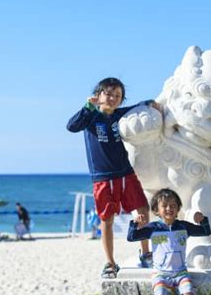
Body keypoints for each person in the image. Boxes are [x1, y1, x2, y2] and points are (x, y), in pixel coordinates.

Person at [67, 77, 161, 278]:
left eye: (117, 95)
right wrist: (87, 107)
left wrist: (149, 103)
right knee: (107, 220)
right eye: (108, 94)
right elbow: (71, 126)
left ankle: (145, 252)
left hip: (126, 173)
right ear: (98, 94)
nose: (112, 98)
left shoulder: (119, 114)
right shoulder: (90, 117)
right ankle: (110, 262)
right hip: (102, 177)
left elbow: (136, 108)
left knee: (143, 209)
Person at [127, 188, 211, 295]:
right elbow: (131, 237)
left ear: (178, 209)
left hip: (181, 272)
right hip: (161, 273)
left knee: (188, 293)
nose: (169, 208)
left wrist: (202, 220)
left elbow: (205, 232)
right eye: (164, 206)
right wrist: (135, 224)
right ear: (156, 210)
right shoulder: (153, 228)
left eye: (173, 205)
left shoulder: (184, 227)